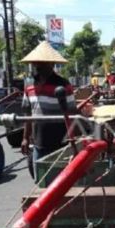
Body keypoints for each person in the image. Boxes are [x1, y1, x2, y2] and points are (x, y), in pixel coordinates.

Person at [20, 41, 76, 178]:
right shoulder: (29, 85)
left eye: (43, 63)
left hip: (60, 144)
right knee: (40, 183)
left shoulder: (63, 84)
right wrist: (25, 138)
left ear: (52, 64)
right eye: (37, 63)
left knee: (61, 183)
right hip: (38, 144)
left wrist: (73, 141)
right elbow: (28, 113)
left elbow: (72, 114)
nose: (39, 66)